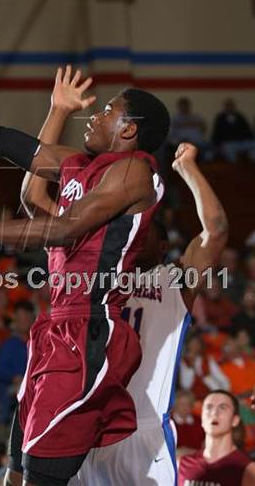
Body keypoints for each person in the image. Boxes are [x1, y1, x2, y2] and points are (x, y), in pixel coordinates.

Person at [0, 16, 170, 486]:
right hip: (55, 328)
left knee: (40, 479)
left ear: (128, 131)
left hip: (90, 333)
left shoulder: (133, 173)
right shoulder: (79, 164)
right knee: (15, 474)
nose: (96, 115)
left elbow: (62, 230)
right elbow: (6, 159)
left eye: (106, 110)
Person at [23, 115, 228, 483]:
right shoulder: (98, 271)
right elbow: (35, 198)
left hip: (143, 429)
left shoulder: (175, 280)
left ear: (162, 246)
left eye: (144, 227)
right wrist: (57, 112)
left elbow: (216, 232)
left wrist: (187, 168)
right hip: (87, 414)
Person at [178, 390, 255, 485]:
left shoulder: (248, 470)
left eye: (222, 407)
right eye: (209, 407)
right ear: (202, 419)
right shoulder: (182, 464)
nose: (214, 413)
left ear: (235, 420)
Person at [0, 301, 35, 425]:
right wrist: (14, 377)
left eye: (27, 318)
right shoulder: (9, 344)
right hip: (14, 388)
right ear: (15, 320)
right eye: (20, 318)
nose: (24, 321)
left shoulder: (40, 344)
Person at [211, 98, 255, 163]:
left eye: (231, 105)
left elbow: (248, 129)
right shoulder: (220, 118)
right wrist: (218, 143)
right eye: (228, 105)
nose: (230, 107)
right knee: (227, 148)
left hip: (243, 141)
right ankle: (234, 165)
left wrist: (248, 138)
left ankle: (254, 163)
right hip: (229, 143)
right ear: (225, 107)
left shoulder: (240, 116)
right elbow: (217, 132)